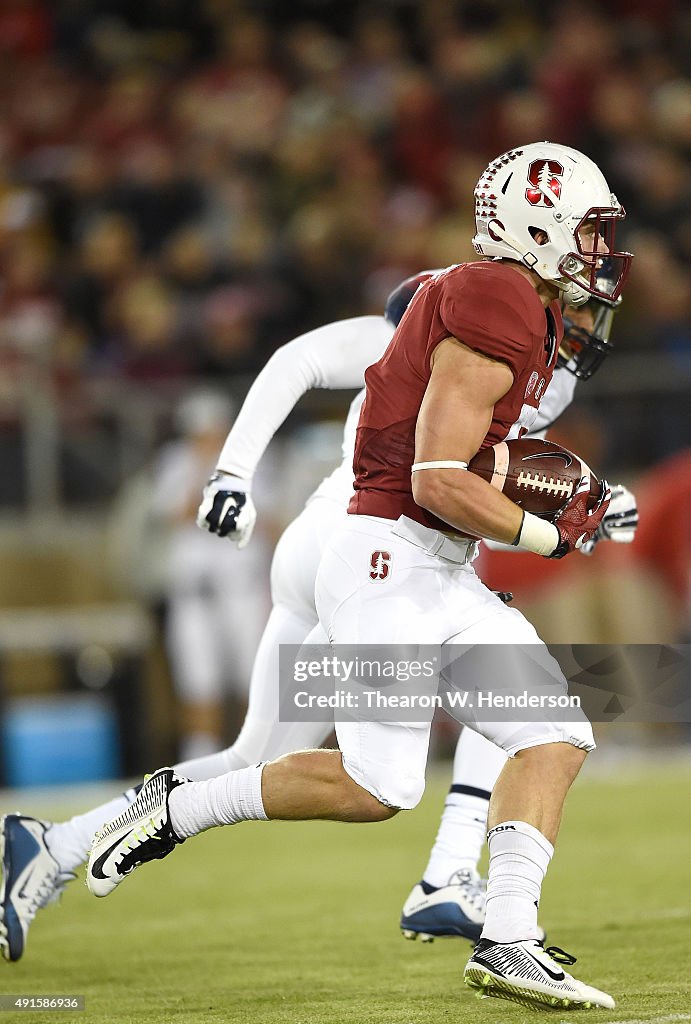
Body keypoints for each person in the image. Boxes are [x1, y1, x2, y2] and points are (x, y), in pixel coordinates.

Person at [84, 142, 634, 1011]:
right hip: (387, 562)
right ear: (539, 226)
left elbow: (473, 464)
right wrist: (549, 533)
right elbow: (437, 478)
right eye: (589, 232)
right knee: (379, 788)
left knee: (554, 733)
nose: (601, 255)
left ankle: (509, 940)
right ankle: (173, 810)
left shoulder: (507, 300)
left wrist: (577, 498)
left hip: (434, 566)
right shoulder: (495, 297)